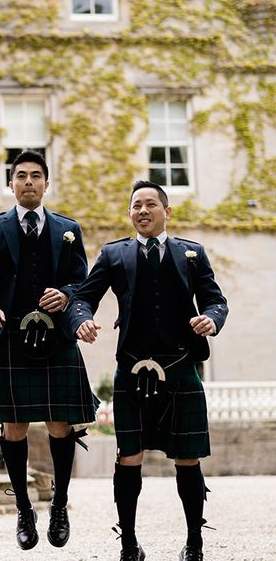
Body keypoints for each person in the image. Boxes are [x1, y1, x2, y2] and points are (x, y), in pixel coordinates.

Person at [68, 180, 228, 561]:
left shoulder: (192, 252)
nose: (142, 210)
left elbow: (214, 299)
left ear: (166, 211)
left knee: (188, 457)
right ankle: (128, 545)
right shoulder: (114, 254)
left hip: (179, 366)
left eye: (150, 204)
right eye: (136, 205)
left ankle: (194, 542)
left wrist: (210, 318)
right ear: (129, 213)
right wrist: (81, 320)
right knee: (129, 456)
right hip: (133, 368)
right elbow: (83, 298)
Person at [0, 149, 97, 552]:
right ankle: (24, 509)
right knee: (14, 427)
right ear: (11, 184)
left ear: (46, 183)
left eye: (36, 175)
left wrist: (67, 293)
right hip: (9, 339)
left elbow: (82, 280)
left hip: (56, 339)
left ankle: (59, 504)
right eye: (21, 175)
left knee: (61, 425)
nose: (28, 181)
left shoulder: (67, 228)